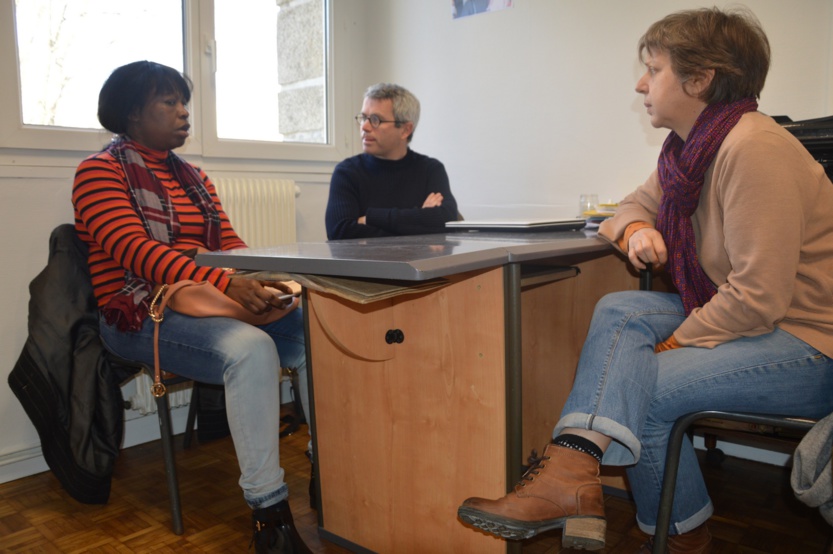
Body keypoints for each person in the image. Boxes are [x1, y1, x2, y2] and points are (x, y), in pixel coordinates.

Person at [457, 7, 833, 553]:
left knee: (645, 386)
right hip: (758, 321)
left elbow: (758, 298)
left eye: (653, 69)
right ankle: (574, 478)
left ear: (699, 79)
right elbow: (632, 204)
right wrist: (635, 228)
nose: (641, 84)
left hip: (810, 343)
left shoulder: (756, 149)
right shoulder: (688, 153)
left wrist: (673, 344)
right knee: (619, 307)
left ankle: (677, 534)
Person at [71, 61, 312, 554]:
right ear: (133, 113)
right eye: (170, 102)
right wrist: (225, 281)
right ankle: (271, 517)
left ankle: (329, 470)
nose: (184, 113)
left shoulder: (194, 177)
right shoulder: (97, 172)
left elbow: (229, 247)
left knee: (317, 330)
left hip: (201, 301)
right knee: (248, 349)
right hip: (136, 313)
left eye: (185, 102)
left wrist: (268, 278)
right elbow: (135, 251)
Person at [325, 83, 458, 240]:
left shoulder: (431, 169)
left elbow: (447, 221)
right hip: (367, 265)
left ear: (405, 129)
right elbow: (340, 233)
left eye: (376, 119)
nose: (365, 127)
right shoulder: (347, 172)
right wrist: (419, 221)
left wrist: (370, 218)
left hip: (421, 264)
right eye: (363, 118)